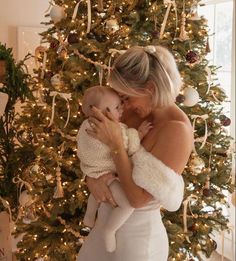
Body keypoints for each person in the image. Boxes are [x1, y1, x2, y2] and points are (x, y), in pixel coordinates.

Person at [77, 45, 194, 261]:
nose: (123, 105)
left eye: (127, 97)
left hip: (138, 242)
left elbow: (137, 199)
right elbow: (93, 152)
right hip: (101, 230)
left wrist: (116, 146)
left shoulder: (177, 129)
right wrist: (91, 179)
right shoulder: (126, 109)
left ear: (149, 88)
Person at [77, 85, 152, 252]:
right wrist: (138, 134)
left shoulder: (84, 126)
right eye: (117, 107)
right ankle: (109, 230)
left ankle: (89, 219)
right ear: (98, 111)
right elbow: (128, 147)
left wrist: (91, 174)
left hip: (93, 171)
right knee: (127, 205)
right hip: (107, 174)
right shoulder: (112, 128)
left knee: (94, 196)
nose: (122, 109)